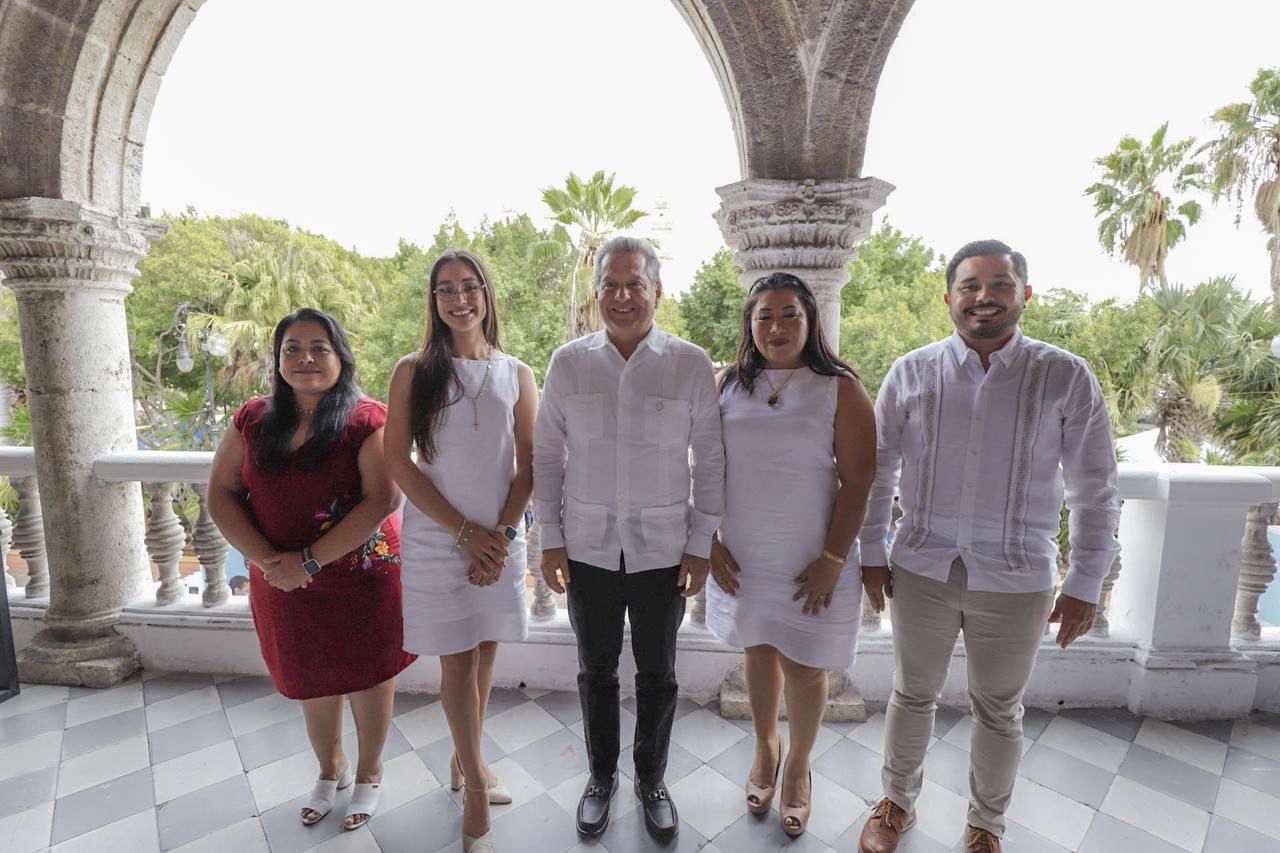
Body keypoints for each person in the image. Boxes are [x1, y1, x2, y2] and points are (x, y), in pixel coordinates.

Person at [855, 240, 1120, 853]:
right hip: (922, 562)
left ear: (1025, 294)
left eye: (1000, 284)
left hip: (1017, 573)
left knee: (999, 707)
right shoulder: (912, 371)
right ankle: (896, 804)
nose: (984, 297)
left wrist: (1086, 582)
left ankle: (985, 826)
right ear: (948, 298)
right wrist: (870, 552)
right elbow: (879, 471)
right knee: (911, 692)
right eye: (970, 285)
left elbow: (1094, 486)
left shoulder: (1064, 375)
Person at [533, 236, 725, 843]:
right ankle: (600, 777)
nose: (622, 296)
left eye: (634, 284)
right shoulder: (569, 363)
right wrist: (551, 538)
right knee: (595, 670)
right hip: (586, 546)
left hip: (663, 549)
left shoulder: (688, 363)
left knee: (658, 673)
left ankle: (651, 779)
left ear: (657, 291)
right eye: (610, 285)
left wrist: (701, 543)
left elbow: (711, 459)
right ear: (596, 295)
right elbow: (546, 456)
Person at [208, 308, 414, 831]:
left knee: (369, 674)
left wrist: (309, 561)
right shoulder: (253, 420)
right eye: (292, 349)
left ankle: (369, 772)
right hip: (282, 579)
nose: (306, 358)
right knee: (311, 674)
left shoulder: (367, 419)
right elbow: (221, 495)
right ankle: (330, 767)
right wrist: (269, 562)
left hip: (360, 574)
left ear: (340, 357)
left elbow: (382, 499)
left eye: (319, 348)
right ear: (278, 360)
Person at [706, 272, 876, 837]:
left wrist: (833, 559)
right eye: (764, 316)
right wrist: (708, 542)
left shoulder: (840, 388)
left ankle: (799, 766)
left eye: (789, 315)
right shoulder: (726, 385)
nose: (776, 327)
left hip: (813, 555)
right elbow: (700, 466)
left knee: (805, 665)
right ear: (749, 324)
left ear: (810, 321)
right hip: (746, 551)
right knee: (758, 651)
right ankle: (765, 748)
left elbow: (859, 479)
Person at [385, 250, 537, 853]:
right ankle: (475, 783)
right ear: (434, 300)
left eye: (469, 286)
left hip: (499, 539)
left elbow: (530, 465)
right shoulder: (412, 371)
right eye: (445, 289)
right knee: (458, 663)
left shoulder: (517, 373)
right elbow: (399, 463)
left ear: (487, 294)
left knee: (487, 648)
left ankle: (461, 757)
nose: (459, 298)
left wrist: (499, 536)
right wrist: (464, 533)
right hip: (438, 537)